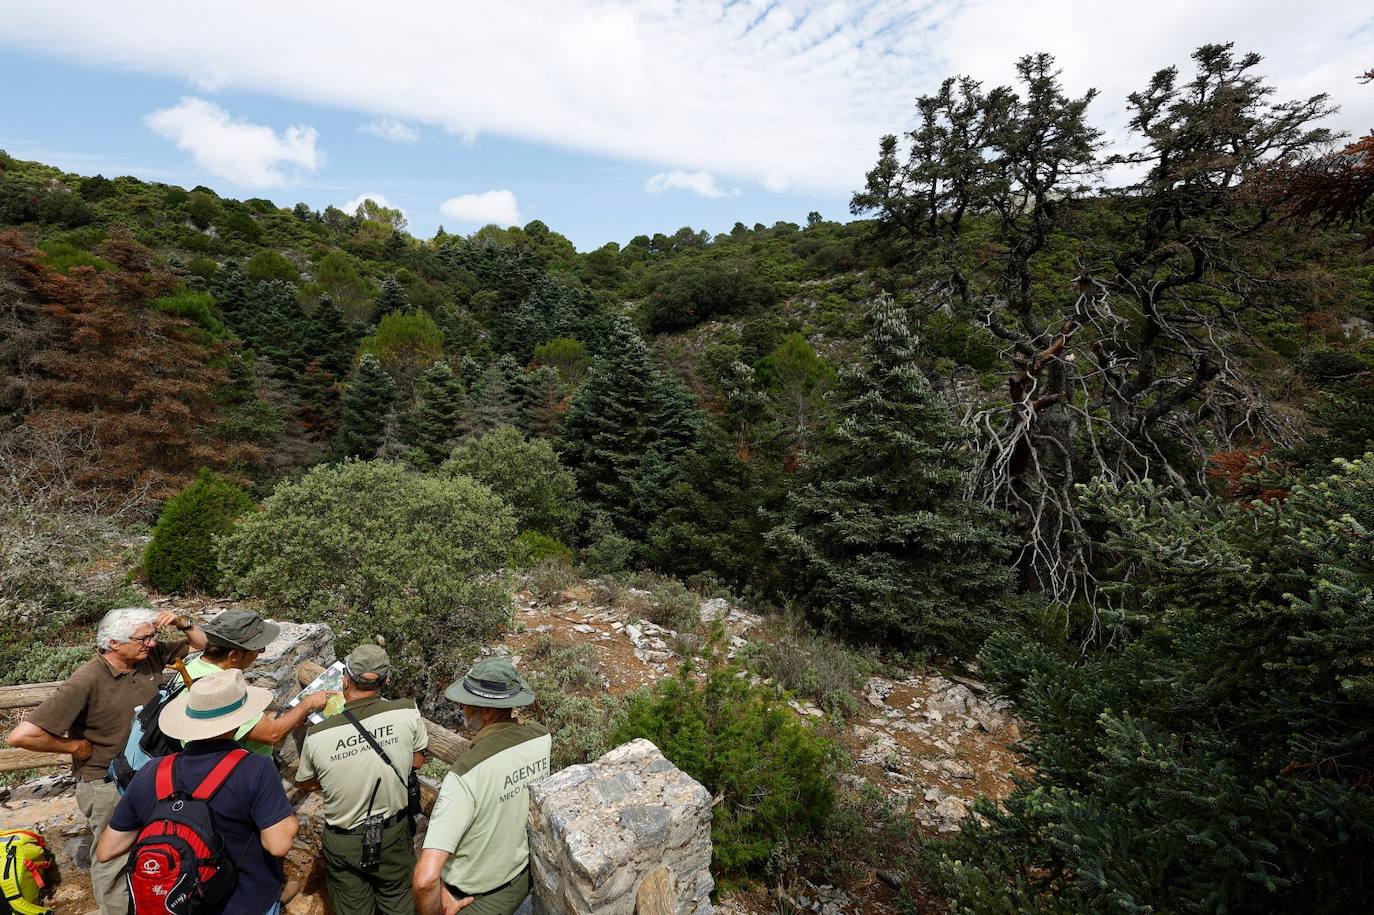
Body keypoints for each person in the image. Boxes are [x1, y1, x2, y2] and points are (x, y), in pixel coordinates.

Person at [5, 606, 206, 915]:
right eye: (143, 638)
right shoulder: (86, 680)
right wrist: (74, 746)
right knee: (113, 858)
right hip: (106, 784)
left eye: (152, 636)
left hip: (149, 773)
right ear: (113, 642)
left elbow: (202, 645)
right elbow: (21, 736)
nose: (151, 643)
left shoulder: (146, 656)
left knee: (150, 846)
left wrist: (183, 622)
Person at [95, 669, 298, 915]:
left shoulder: (152, 771)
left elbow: (106, 851)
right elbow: (278, 845)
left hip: (177, 903)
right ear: (239, 720)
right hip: (244, 901)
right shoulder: (255, 768)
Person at [296, 645, 428, 915]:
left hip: (344, 838)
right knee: (399, 899)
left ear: (345, 680)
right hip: (393, 832)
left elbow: (308, 783)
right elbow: (417, 761)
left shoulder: (318, 734)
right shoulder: (407, 712)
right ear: (386, 680)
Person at [413, 658, 551, 915]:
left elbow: (425, 880)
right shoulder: (542, 739)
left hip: (473, 899)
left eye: (466, 702)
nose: (462, 709)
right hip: (520, 880)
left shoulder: (464, 776)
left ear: (486, 711)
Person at [184, 609, 337, 754]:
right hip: (238, 773)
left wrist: (285, 716)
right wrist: (307, 704)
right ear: (235, 655)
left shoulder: (197, 667)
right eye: (259, 649)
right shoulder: (217, 687)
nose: (260, 653)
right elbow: (271, 735)